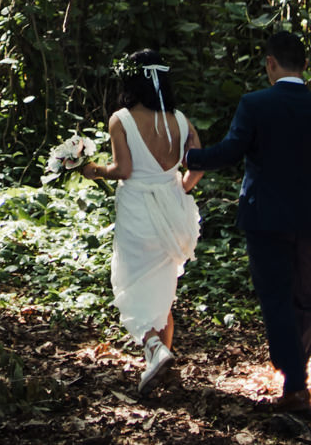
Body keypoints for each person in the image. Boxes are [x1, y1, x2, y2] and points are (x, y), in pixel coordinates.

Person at [183, 30, 311, 415]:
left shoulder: (255, 104)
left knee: (275, 297)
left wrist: (192, 158)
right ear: (305, 66)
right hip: (310, 220)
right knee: (301, 296)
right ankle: (297, 377)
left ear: (270, 63)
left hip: (264, 217)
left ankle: (294, 381)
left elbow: (231, 151)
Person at [77, 50, 204, 390]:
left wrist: (93, 171)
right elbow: (199, 163)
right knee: (163, 293)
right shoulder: (181, 119)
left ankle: (152, 347)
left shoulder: (121, 119)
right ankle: (160, 363)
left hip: (138, 212)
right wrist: (180, 188)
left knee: (130, 286)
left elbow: (124, 170)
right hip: (173, 213)